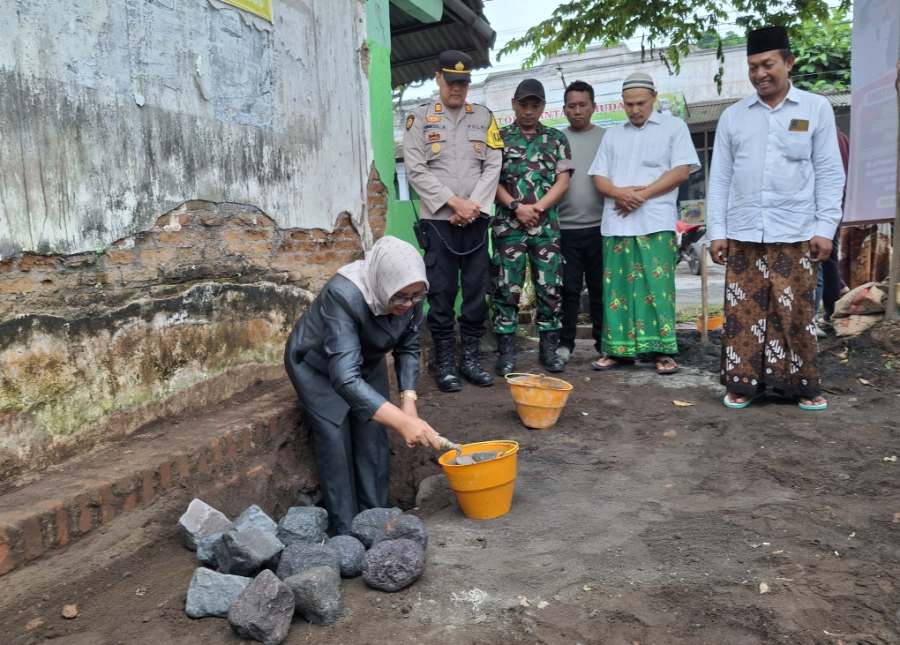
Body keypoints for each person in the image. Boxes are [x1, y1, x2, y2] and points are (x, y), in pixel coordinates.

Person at [707, 26, 845, 411]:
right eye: (752, 66)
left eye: (767, 64)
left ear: (788, 62)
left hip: (797, 230)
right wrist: (717, 232)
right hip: (744, 232)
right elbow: (719, 177)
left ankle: (801, 385)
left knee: (796, 312)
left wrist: (824, 228)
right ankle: (742, 384)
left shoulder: (815, 108)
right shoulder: (733, 117)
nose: (759, 74)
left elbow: (830, 172)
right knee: (744, 314)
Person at [284, 236, 445, 535]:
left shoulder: (411, 292)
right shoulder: (343, 294)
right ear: (384, 283)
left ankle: (375, 518)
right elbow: (344, 378)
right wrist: (401, 422)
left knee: (373, 436)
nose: (407, 304)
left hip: (365, 362)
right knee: (335, 440)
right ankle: (346, 532)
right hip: (317, 366)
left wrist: (407, 403)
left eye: (414, 297)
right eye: (400, 297)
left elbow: (408, 348)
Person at [403, 50, 503, 393]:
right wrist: (453, 203)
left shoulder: (484, 117)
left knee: (476, 290)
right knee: (442, 292)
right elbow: (415, 168)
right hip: (439, 221)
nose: (457, 89)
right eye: (451, 81)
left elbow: (493, 164)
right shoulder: (419, 118)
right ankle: (444, 361)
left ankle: (471, 359)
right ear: (438, 79)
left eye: (463, 82)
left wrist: (473, 205)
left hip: (476, 219)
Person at [588, 72, 699, 374]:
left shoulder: (674, 128)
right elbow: (599, 177)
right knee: (617, 291)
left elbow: (681, 171)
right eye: (628, 104)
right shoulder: (613, 134)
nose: (635, 110)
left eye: (640, 103)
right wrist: (619, 193)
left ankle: (661, 352)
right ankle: (618, 351)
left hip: (655, 222)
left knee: (657, 287)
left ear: (654, 98)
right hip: (617, 224)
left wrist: (643, 195)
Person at [493, 78, 573, 375]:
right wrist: (517, 208)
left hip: (545, 226)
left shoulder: (556, 139)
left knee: (549, 288)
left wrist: (537, 208)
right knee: (506, 288)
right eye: (523, 104)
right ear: (514, 104)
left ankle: (548, 351)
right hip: (508, 227)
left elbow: (563, 181)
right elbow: (493, 181)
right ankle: (506, 353)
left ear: (542, 107)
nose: (529, 110)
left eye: (535, 104)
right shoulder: (498, 138)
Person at [556, 80, 606, 364]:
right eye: (571, 106)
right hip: (565, 229)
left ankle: (603, 344)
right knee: (569, 290)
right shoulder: (557, 141)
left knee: (600, 289)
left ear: (593, 107)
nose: (577, 111)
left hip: (601, 227)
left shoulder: (607, 138)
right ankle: (565, 345)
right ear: (564, 109)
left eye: (582, 105)